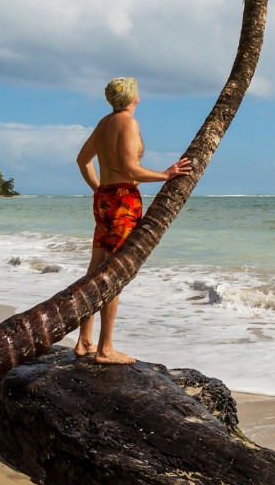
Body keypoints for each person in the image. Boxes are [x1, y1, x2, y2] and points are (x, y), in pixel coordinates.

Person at [73, 76, 192, 364]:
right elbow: (131, 168)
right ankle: (105, 349)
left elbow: (82, 160)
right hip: (123, 202)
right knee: (113, 275)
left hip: (105, 200)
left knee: (94, 272)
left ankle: (84, 340)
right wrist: (167, 174)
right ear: (133, 97)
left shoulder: (104, 123)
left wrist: (100, 189)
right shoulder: (128, 122)